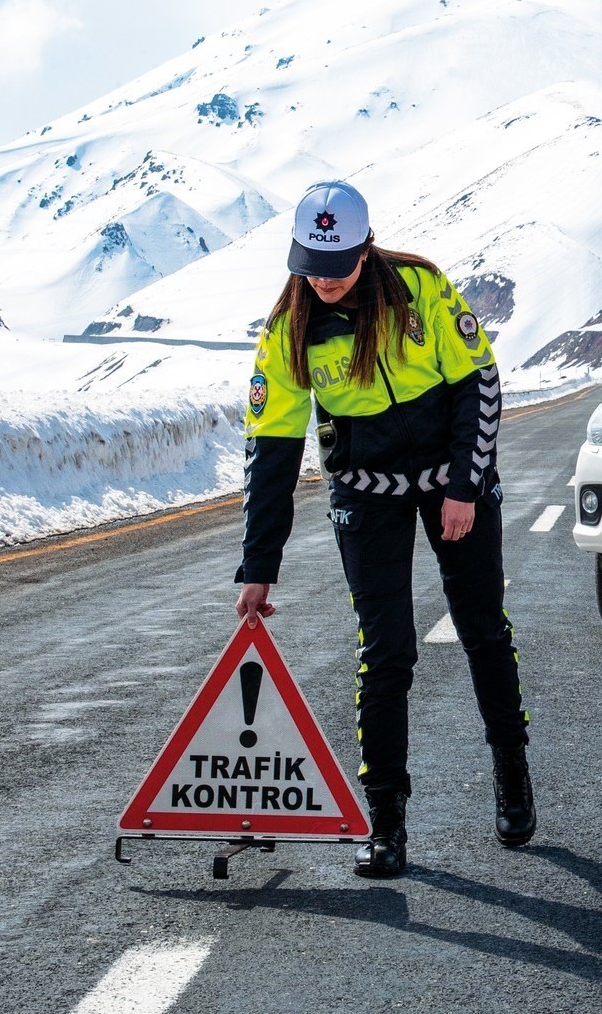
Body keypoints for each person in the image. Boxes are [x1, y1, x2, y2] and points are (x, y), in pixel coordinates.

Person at [234, 180, 534, 878]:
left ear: (367, 250)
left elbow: (479, 386)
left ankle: (512, 773)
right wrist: (258, 567)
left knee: (482, 627)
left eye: (338, 263)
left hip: (451, 482)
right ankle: (386, 821)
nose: (326, 279)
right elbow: (270, 453)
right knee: (386, 649)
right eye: (311, 263)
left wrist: (464, 487)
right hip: (364, 495)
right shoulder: (288, 333)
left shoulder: (420, 288)